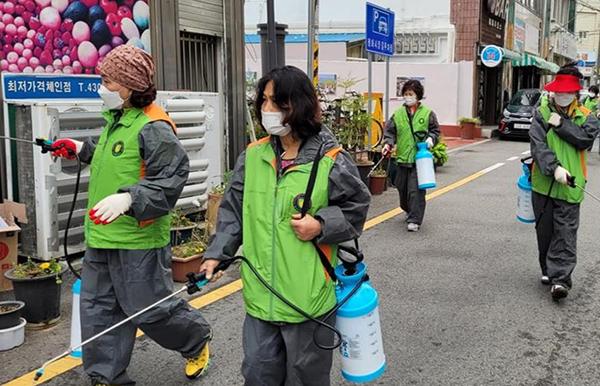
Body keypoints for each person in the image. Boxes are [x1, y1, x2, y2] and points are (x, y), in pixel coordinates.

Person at [199, 65, 371, 386]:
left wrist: (319, 225)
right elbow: (233, 211)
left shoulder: (331, 158)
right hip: (260, 297)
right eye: (264, 101)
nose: (268, 110)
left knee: (305, 379)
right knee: (257, 374)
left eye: (278, 103)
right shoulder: (252, 156)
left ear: (300, 105)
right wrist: (216, 253)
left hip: (308, 301)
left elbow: (357, 207)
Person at [51, 45, 212, 385]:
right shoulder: (117, 119)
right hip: (102, 235)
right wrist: (82, 150)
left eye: (106, 81)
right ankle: (105, 376)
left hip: (138, 237)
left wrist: (128, 200)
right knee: (98, 310)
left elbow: (172, 178)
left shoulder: (154, 126)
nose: (100, 87)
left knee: (151, 309)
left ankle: (195, 339)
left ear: (128, 86)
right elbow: (117, 161)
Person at [529, 63, 600, 300]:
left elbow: (585, 140)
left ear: (576, 93)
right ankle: (548, 270)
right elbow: (538, 146)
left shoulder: (587, 117)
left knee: (565, 234)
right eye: (558, 91)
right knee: (545, 233)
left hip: (572, 185)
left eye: (566, 92)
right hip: (543, 183)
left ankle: (561, 280)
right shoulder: (540, 114)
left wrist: (562, 125)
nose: (561, 95)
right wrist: (554, 168)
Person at [382, 80, 440, 232]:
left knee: (416, 191)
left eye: (411, 94)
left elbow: (435, 131)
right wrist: (388, 144)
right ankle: (408, 209)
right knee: (402, 188)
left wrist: (431, 139)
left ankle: (415, 219)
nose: (408, 97)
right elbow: (390, 132)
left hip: (419, 159)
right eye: (406, 94)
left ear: (418, 96)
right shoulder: (398, 114)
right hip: (402, 158)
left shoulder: (427, 113)